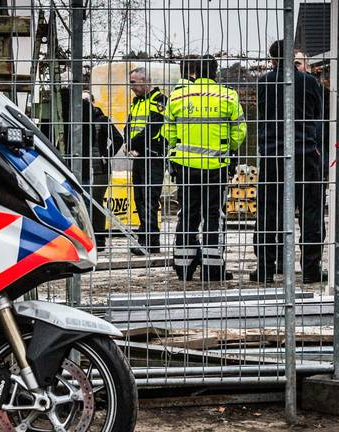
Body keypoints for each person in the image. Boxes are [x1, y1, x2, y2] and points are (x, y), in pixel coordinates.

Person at [164, 55, 247, 281]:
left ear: (194, 73)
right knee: (213, 216)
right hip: (215, 166)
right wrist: (225, 147)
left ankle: (183, 267)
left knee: (187, 214)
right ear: (214, 72)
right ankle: (212, 269)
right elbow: (239, 132)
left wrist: (180, 148)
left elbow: (168, 131)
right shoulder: (228, 95)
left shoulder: (178, 96)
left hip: (185, 167)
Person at [252, 40, 327, 284]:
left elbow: (263, 114)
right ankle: (311, 269)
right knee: (311, 212)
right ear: (293, 56)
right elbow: (319, 113)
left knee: (268, 212)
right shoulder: (309, 82)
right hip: (304, 152)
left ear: (272, 59)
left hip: (273, 154)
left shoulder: (264, 83)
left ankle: (265, 268)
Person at [125, 67, 168, 255]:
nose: (131, 87)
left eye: (133, 83)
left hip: (153, 156)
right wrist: (127, 143)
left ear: (145, 81)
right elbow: (130, 124)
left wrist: (133, 143)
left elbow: (154, 127)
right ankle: (146, 238)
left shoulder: (159, 100)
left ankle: (150, 240)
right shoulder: (136, 102)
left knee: (150, 198)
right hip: (139, 156)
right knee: (140, 197)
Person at [78, 91, 124, 252]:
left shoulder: (102, 120)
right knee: (81, 202)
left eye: (86, 101)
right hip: (81, 167)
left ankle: (98, 238)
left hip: (100, 169)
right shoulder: (76, 121)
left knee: (95, 201)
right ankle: (84, 237)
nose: (83, 104)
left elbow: (118, 139)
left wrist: (106, 155)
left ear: (92, 103)